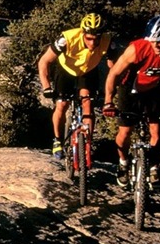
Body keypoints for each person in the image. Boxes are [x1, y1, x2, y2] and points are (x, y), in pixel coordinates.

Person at [102, 12, 160, 186]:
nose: (157, 45)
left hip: (154, 90)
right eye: (153, 40)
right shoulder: (136, 49)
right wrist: (108, 101)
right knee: (125, 132)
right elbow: (114, 73)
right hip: (130, 90)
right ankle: (123, 164)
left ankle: (153, 168)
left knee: (157, 133)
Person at [38, 13, 116, 159]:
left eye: (97, 39)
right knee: (62, 104)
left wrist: (115, 85)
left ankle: (87, 144)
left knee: (88, 103)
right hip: (66, 70)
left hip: (88, 71)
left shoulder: (108, 41)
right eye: (89, 39)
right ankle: (57, 140)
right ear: (83, 34)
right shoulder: (66, 39)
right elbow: (44, 61)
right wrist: (46, 86)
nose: (93, 43)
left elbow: (114, 66)